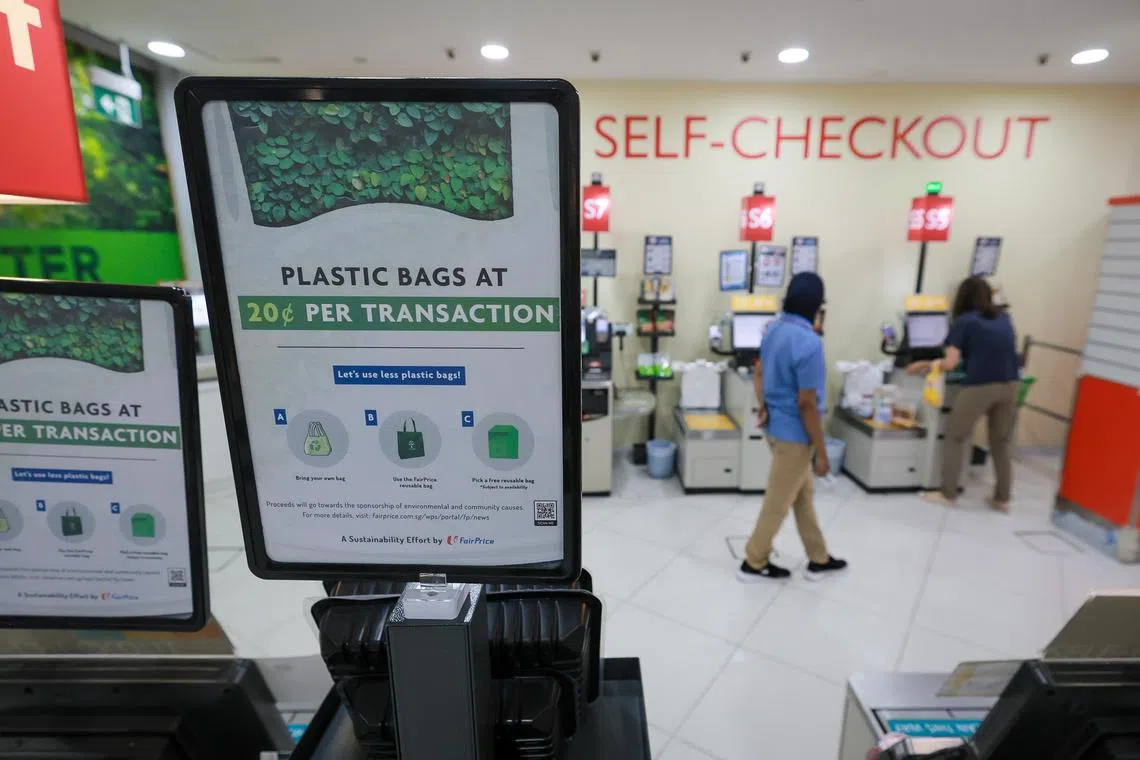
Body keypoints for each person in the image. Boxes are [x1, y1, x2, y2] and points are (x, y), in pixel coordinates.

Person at [739, 272, 847, 581]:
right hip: (796, 439)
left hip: (776, 430)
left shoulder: (773, 329)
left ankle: (819, 558)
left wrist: (764, 407)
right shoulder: (809, 341)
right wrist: (822, 452)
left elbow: (759, 374)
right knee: (778, 503)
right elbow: (807, 403)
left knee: (803, 497)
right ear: (817, 307)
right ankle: (753, 562)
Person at [907, 276, 1020, 511]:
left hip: (980, 386)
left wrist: (925, 364)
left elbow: (949, 363)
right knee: (1000, 442)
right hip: (1011, 384)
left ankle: (947, 493)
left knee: (956, 436)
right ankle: (1003, 498)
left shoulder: (965, 321)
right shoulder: (1004, 317)